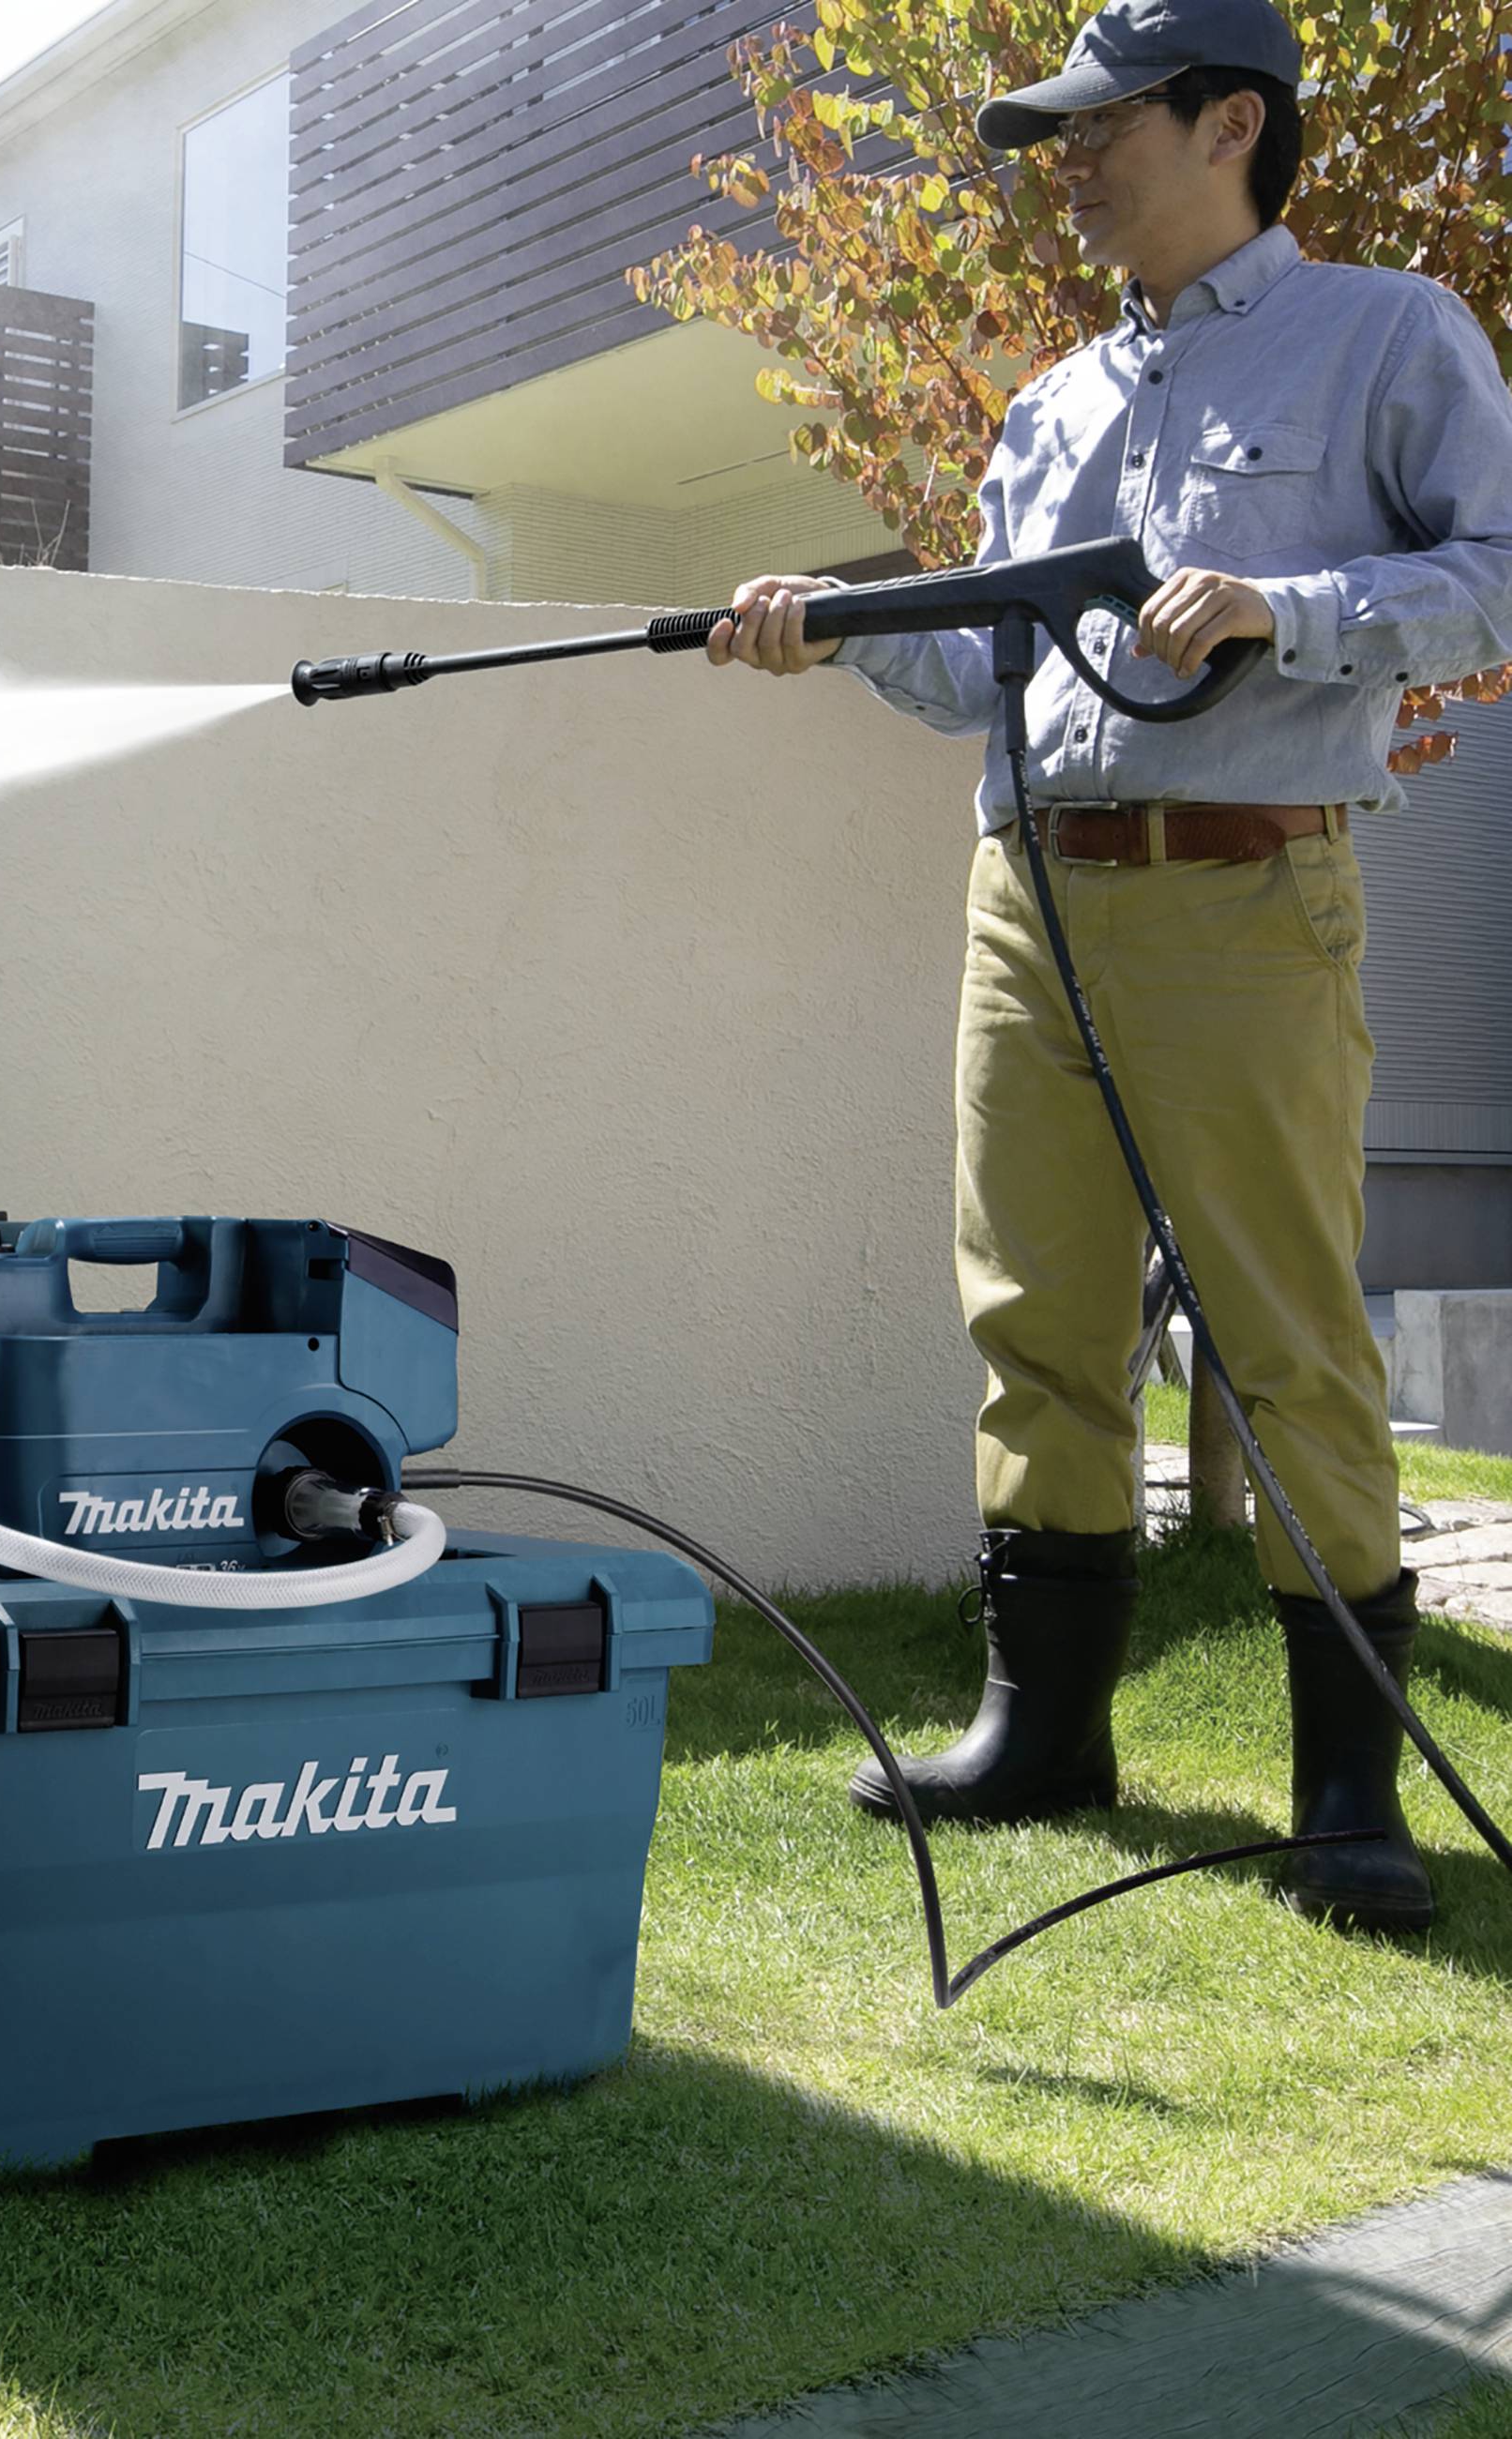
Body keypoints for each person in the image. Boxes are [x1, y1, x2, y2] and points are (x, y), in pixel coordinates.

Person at [708, 0, 1512, 1933]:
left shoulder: (1391, 333)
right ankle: (1043, 1735)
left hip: (1244, 896)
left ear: (1231, 122)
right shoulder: (1053, 404)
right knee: (1036, 1319)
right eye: (1054, 131)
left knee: (1285, 1337)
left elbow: (1495, 568)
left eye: (1100, 125)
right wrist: (828, 627)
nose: (1063, 159)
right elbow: (984, 664)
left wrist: (1289, 607)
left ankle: (1344, 1797)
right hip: (1027, 900)